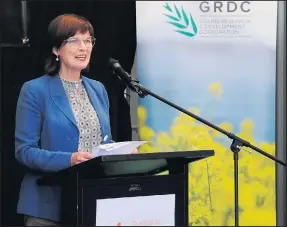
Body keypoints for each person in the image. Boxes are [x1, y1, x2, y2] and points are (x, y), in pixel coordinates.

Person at [15, 14, 113, 226]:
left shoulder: (98, 89)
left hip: (92, 202)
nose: (83, 48)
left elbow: (103, 143)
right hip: (48, 208)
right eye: (74, 41)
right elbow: (24, 152)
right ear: (56, 49)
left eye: (88, 41)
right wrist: (69, 160)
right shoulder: (34, 90)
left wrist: (120, 151)